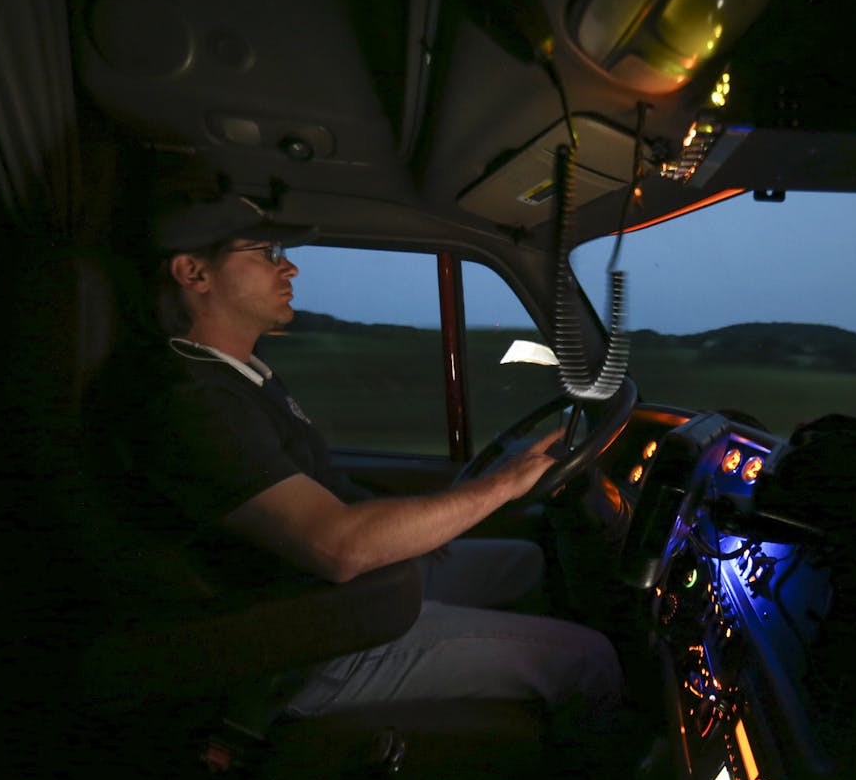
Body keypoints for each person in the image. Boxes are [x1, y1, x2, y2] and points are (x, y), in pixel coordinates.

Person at [122, 189, 624, 732]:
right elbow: (338, 545)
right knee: (589, 660)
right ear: (194, 273)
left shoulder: (242, 377)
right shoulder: (192, 402)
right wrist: (503, 484)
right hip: (310, 644)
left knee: (526, 563)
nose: (288, 266)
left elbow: (324, 494)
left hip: (346, 599)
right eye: (265, 253)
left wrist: (421, 527)